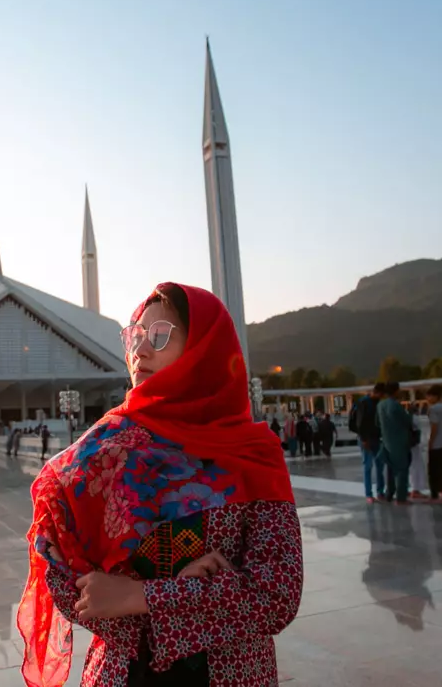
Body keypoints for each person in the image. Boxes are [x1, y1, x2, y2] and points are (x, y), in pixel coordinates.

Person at [18, 283, 300, 687]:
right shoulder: (107, 449)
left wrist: (140, 597)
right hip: (120, 672)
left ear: (204, 348)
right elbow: (59, 566)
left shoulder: (251, 454)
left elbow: (276, 594)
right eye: (135, 337)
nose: (140, 351)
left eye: (160, 335)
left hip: (231, 673)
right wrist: (167, 606)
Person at [376, 382, 414, 505]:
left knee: (391, 470)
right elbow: (407, 421)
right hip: (399, 441)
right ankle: (401, 498)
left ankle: (389, 494)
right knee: (401, 470)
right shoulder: (396, 405)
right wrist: (410, 412)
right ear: (396, 391)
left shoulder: (380, 405)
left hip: (386, 441)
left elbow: (377, 423)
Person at [351, 384, 386, 503]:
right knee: (368, 465)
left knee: (379, 465)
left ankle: (380, 492)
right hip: (366, 438)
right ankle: (369, 494)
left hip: (376, 438)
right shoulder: (364, 403)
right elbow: (360, 422)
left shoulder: (376, 403)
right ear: (378, 392)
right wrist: (364, 439)